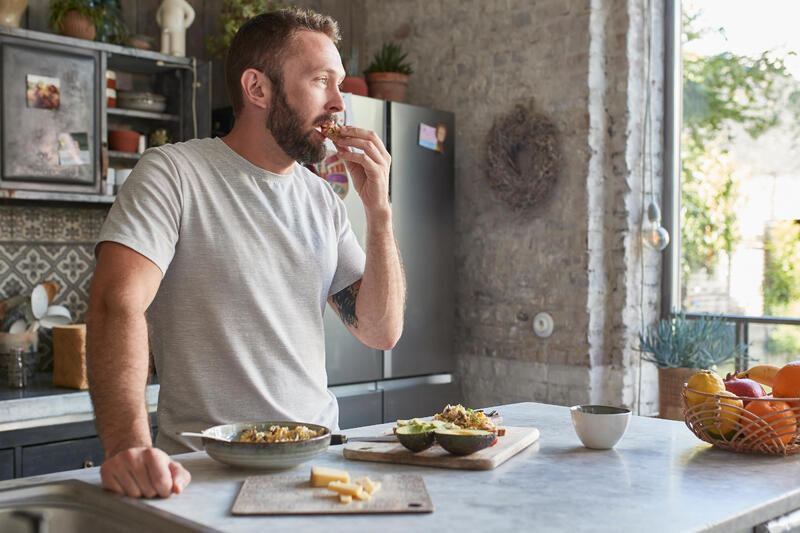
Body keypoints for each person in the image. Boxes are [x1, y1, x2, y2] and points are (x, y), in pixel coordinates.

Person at [86, 8, 405, 499]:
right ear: (257, 89)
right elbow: (116, 302)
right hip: (206, 474)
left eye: (339, 84)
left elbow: (381, 331)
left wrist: (379, 213)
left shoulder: (323, 200)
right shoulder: (174, 174)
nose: (340, 102)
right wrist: (128, 448)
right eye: (321, 80)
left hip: (318, 468)